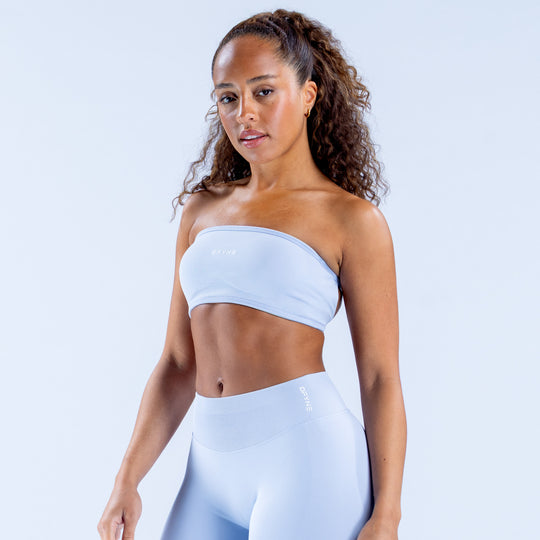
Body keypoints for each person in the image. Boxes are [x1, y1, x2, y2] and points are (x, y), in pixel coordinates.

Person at [98, 8, 406, 540]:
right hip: (209, 468)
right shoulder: (202, 211)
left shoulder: (351, 220)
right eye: (228, 97)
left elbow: (379, 376)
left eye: (264, 92)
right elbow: (177, 362)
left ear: (307, 96)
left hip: (308, 459)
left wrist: (388, 515)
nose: (245, 114)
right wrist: (127, 479)